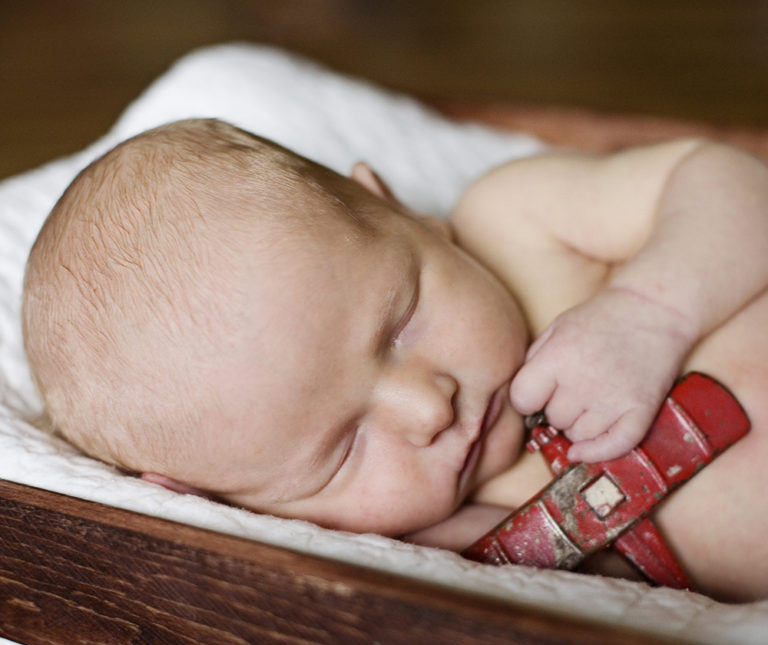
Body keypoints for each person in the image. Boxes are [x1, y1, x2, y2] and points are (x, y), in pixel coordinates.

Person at [22, 118, 768, 602]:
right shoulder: (416, 558)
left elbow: (732, 186)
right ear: (235, 505)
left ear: (400, 211)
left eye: (400, 326)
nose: (428, 406)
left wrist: (649, 313)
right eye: (343, 450)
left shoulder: (520, 225)